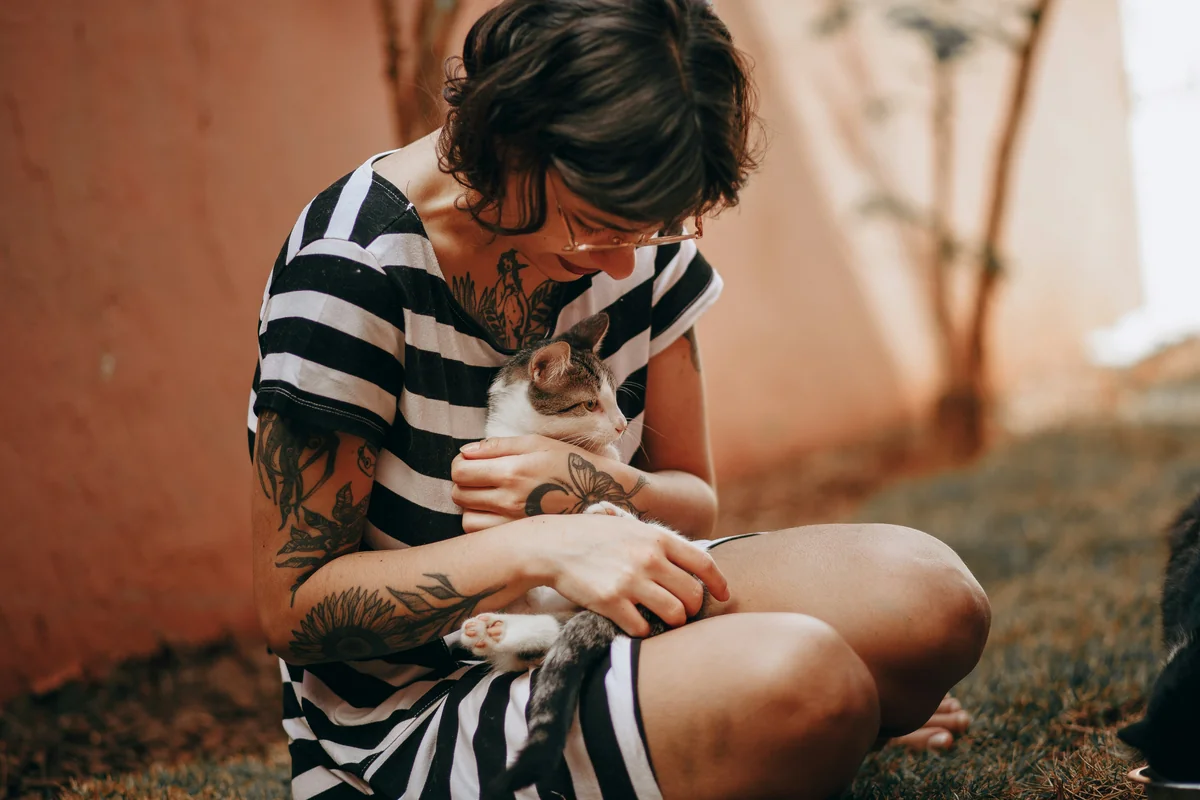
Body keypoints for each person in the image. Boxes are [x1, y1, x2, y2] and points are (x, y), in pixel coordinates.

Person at [247, 1, 990, 798]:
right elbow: (294, 607)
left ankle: (738, 719)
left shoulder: (635, 235)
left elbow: (692, 505)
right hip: (419, 704)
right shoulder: (351, 271)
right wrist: (541, 547)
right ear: (513, 142)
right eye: (595, 228)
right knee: (810, 684)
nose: (624, 267)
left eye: (655, 233)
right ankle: (766, 717)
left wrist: (596, 490)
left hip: (603, 619)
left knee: (932, 598)